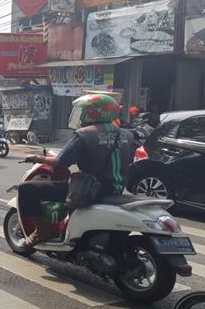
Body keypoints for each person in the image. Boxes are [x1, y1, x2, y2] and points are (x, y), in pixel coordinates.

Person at [19, 93, 135, 245]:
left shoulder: (84, 134)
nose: (81, 115)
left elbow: (61, 162)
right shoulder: (127, 135)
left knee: (26, 189)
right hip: (115, 189)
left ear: (93, 112)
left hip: (90, 190)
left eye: (84, 111)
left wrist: (36, 158)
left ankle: (41, 232)